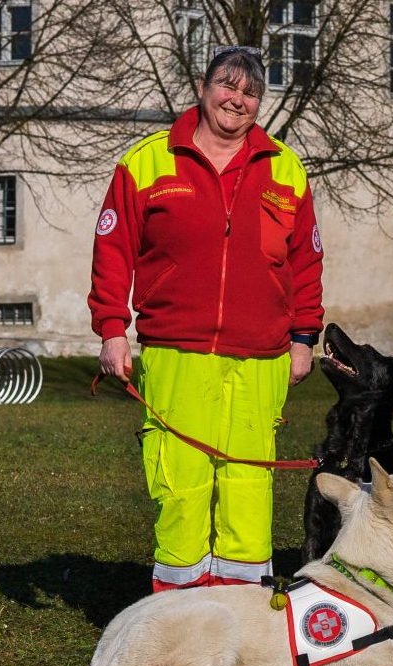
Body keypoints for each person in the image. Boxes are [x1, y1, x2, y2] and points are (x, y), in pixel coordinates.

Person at [87, 46, 322, 592]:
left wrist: (304, 336)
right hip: (176, 350)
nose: (235, 100)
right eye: (227, 85)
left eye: (249, 92)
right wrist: (111, 330)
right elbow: (112, 250)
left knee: (247, 483)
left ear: (259, 103)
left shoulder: (285, 168)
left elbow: (306, 260)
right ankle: (177, 614)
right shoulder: (147, 161)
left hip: (262, 354)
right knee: (182, 484)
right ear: (202, 86)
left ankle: (239, 619)